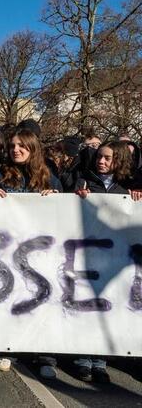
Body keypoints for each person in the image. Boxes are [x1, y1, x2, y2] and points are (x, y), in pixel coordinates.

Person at [0, 128, 61, 376]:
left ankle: (45, 355)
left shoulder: (50, 176)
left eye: (22, 146)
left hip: (42, 253)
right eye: (13, 145)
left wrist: (59, 199)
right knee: (10, 298)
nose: (16, 150)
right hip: (6, 251)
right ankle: (7, 347)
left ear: (33, 149)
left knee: (44, 299)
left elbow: (68, 213)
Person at [73, 140, 141, 382]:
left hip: (113, 260)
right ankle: (82, 360)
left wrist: (136, 199)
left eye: (107, 158)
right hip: (86, 256)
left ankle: (100, 363)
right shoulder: (84, 181)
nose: (101, 161)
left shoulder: (126, 188)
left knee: (105, 310)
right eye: (99, 157)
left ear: (118, 161)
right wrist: (77, 196)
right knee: (86, 308)